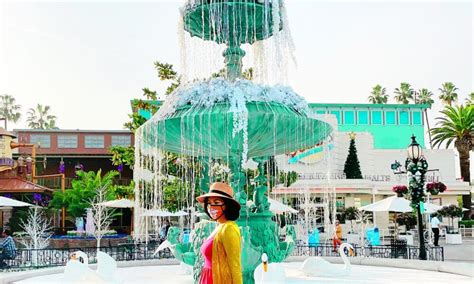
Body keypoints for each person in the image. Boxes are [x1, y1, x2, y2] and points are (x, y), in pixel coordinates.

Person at [196, 182, 243, 284]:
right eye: (209, 202)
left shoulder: (229, 228)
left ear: (226, 206)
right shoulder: (219, 226)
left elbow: (235, 266)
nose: (211, 207)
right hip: (208, 278)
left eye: (216, 203)